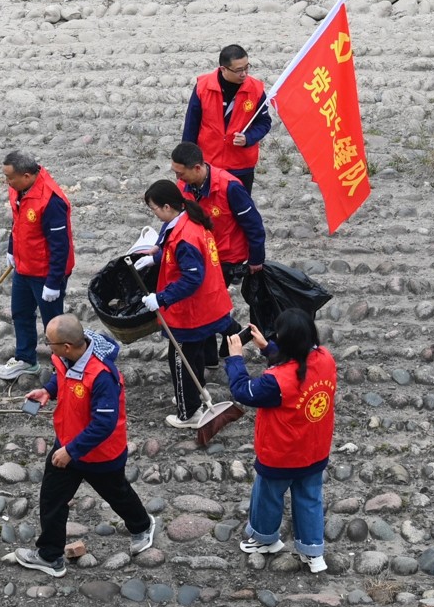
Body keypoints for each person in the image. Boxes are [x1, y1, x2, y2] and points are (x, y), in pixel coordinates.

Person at [11, 314, 155, 577]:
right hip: (67, 443)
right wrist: (48, 391)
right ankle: (50, 556)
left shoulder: (102, 376)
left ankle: (142, 525)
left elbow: (104, 424)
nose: (47, 346)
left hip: (99, 454)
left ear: (67, 346)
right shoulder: (68, 356)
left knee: (117, 494)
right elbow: (62, 376)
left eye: (50, 343)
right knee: (52, 498)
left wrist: (71, 451)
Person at [223, 310, 337, 574]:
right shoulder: (326, 359)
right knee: (310, 498)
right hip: (314, 450)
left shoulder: (276, 381)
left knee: (267, 496)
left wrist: (235, 359)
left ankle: (265, 539)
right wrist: (268, 348)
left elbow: (243, 391)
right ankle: (313, 551)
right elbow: (298, 361)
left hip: (280, 455)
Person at [134, 181, 236, 424]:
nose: (154, 213)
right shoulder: (188, 222)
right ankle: (194, 393)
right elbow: (175, 254)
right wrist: (156, 258)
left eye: (154, 208)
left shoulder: (185, 237)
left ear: (167, 207)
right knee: (195, 354)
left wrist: (161, 298)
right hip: (206, 304)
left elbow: (191, 279)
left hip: (190, 311)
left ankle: (188, 412)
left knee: (180, 359)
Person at [0, 151, 75, 382]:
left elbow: (60, 245)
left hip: (45, 273)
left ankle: (64, 366)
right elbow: (17, 221)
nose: (7, 182)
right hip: (24, 266)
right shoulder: (19, 189)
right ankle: (26, 359)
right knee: (21, 314)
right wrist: (12, 249)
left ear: (26, 176)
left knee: (54, 323)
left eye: (9, 177)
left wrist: (54, 282)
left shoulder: (51, 201)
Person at [170, 141, 266, 286]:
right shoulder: (183, 185)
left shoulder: (230, 187)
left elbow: (253, 224)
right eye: (175, 172)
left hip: (225, 256)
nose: (177, 177)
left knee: (212, 295)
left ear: (197, 168)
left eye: (180, 173)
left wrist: (256, 259)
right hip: (200, 252)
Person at [182, 44, 271, 190]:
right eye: (239, 70)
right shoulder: (203, 87)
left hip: (241, 165)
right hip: (208, 163)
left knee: (239, 203)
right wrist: (187, 160)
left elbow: (264, 122)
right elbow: (191, 125)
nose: (244, 74)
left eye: (247, 68)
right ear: (223, 69)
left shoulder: (256, 89)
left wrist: (248, 138)